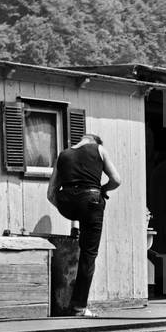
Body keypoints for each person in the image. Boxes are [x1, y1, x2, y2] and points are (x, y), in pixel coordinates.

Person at [47, 133, 121, 316]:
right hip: (91, 202)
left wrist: (64, 206)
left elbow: (50, 193)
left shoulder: (63, 155)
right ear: (96, 142)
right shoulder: (99, 150)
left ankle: (76, 225)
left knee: (80, 221)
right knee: (88, 255)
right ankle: (79, 307)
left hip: (67, 204)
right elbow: (116, 180)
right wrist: (102, 190)